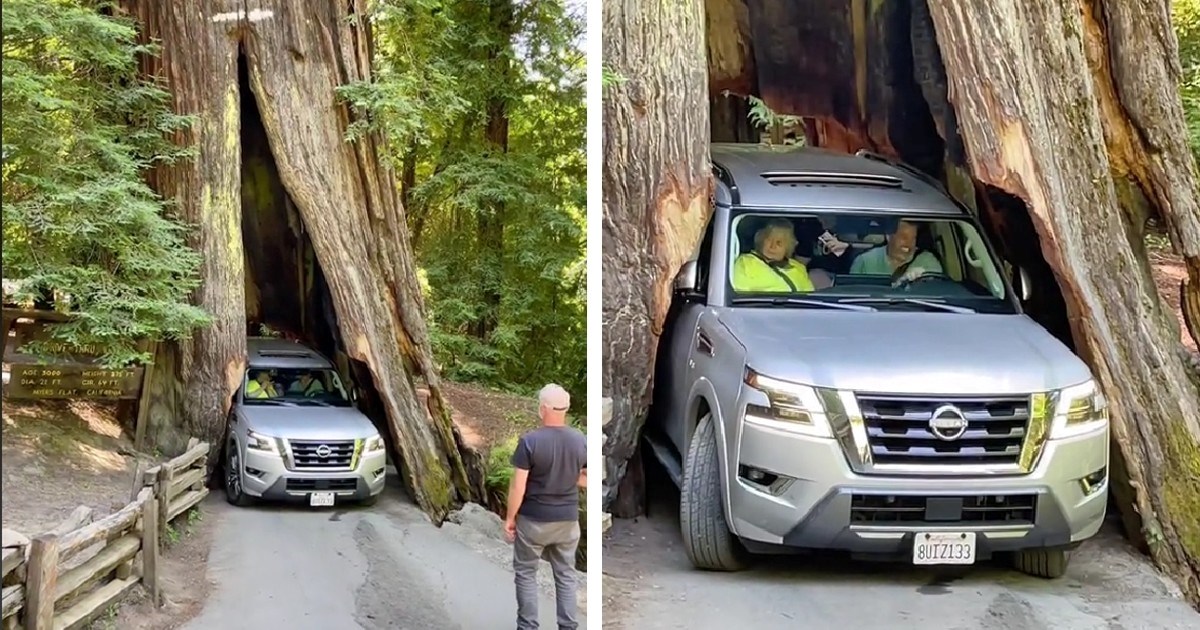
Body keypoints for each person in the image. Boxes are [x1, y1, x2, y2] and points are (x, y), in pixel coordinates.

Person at [505, 384, 587, 630]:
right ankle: (568, 626)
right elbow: (587, 479)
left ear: (543, 409)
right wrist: (566, 477)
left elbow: (518, 487)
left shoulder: (529, 442)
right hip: (567, 521)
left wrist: (510, 519)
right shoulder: (580, 440)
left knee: (526, 573)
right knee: (565, 575)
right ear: (567, 408)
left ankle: (528, 626)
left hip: (534, 521)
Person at [730, 219, 815, 293]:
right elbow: (739, 297)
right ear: (761, 240)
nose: (772, 246)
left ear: (788, 247)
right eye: (769, 240)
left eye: (779, 243)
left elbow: (810, 297)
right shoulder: (746, 263)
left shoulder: (798, 267)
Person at [849, 218, 944, 284]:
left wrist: (924, 277)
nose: (909, 243)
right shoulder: (864, 262)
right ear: (888, 236)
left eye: (913, 238)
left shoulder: (927, 261)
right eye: (904, 237)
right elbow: (852, 294)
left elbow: (938, 290)